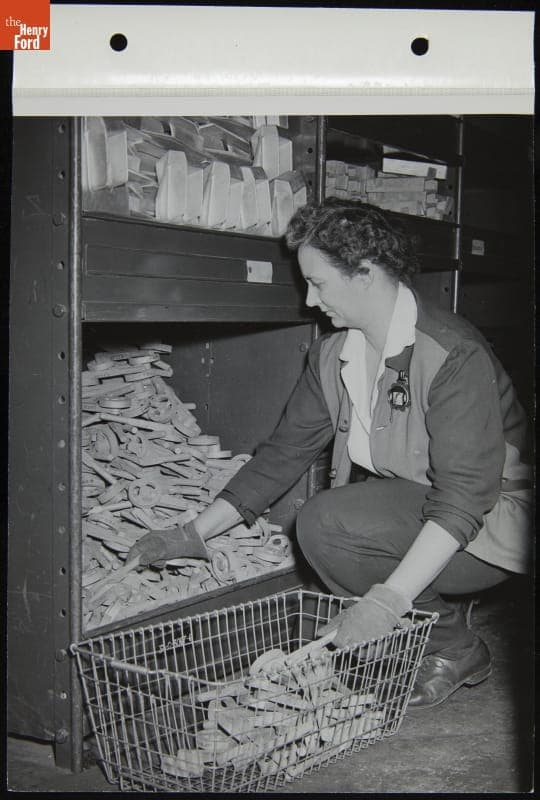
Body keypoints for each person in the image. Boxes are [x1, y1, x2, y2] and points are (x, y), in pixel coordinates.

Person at [128, 200, 532, 708]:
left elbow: (464, 499)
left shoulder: (452, 353)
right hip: (426, 508)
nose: (310, 300)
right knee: (323, 525)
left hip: (493, 523)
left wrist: (387, 600)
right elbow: (282, 455)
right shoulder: (333, 356)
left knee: (331, 520)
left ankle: (451, 646)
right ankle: (420, 641)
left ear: (364, 274)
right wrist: (192, 533)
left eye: (318, 283)